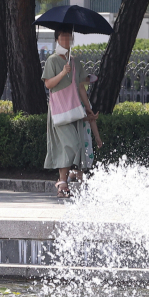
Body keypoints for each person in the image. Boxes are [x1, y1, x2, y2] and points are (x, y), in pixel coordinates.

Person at [42, 26, 98, 198]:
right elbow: (48, 84)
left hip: (74, 109)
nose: (66, 41)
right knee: (70, 144)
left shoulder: (75, 61)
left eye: (68, 37)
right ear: (57, 39)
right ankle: (63, 181)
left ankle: (64, 183)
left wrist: (88, 108)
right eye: (62, 37)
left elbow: (80, 87)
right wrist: (62, 73)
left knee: (75, 145)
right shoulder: (52, 60)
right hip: (59, 110)